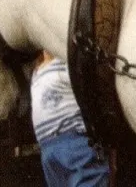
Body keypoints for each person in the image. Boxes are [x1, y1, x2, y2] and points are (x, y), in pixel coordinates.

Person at [31, 52, 110, 187]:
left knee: (88, 179)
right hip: (48, 148)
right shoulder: (36, 71)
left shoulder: (65, 62)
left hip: (74, 141)